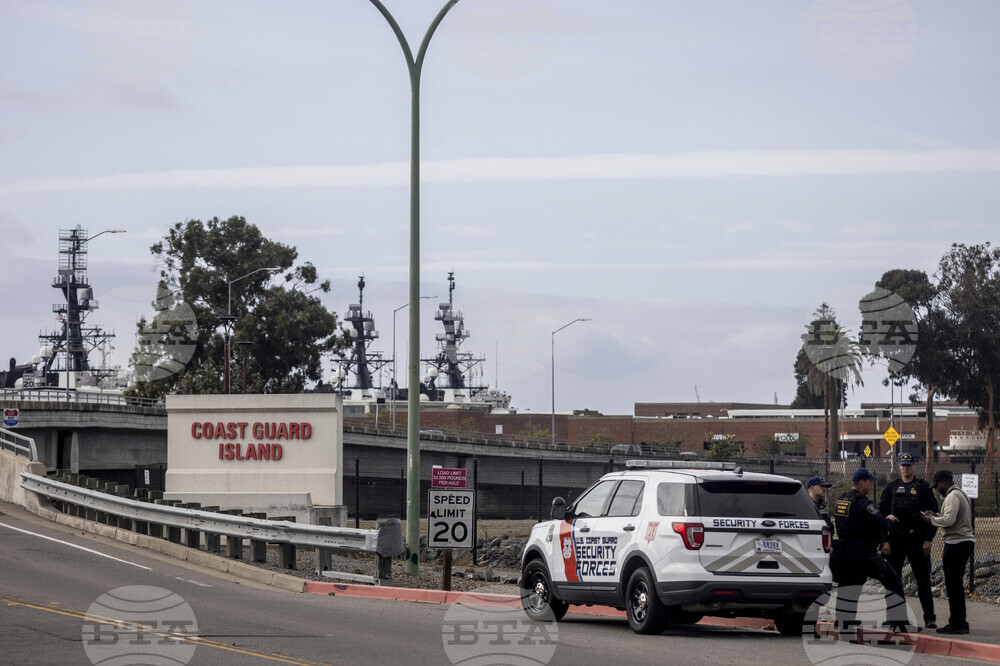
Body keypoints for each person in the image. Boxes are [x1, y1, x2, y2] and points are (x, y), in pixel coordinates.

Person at [831, 467, 914, 632]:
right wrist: (890, 519)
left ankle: (843, 621)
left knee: (848, 585)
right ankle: (899, 623)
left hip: (845, 552)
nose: (871, 485)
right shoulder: (863, 503)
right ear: (862, 482)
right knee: (893, 581)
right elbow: (882, 523)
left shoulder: (842, 500)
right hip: (863, 553)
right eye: (870, 481)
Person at [878, 452, 939, 629]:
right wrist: (884, 541)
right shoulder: (890, 488)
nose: (906, 468)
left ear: (914, 466)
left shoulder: (924, 487)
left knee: (922, 580)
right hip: (895, 540)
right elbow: (881, 516)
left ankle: (930, 617)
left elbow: (933, 515)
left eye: (909, 465)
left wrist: (928, 540)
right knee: (891, 580)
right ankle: (893, 617)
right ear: (899, 467)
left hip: (917, 540)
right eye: (903, 465)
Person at [922, 469, 975, 635]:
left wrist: (931, 519)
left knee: (953, 585)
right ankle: (961, 621)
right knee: (956, 584)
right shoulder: (960, 494)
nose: (938, 489)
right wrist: (937, 514)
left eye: (938, 485)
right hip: (963, 542)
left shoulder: (952, 496)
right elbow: (950, 516)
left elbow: (948, 520)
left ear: (944, 482)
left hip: (956, 543)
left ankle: (956, 623)